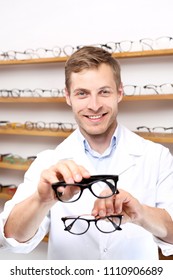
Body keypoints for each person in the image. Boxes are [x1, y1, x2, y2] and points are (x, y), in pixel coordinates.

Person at [0, 46, 173, 260]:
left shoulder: (157, 157)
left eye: (104, 92)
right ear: (68, 97)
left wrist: (142, 213)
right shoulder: (49, 161)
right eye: (82, 93)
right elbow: (11, 237)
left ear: (119, 92)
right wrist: (41, 200)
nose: (94, 105)